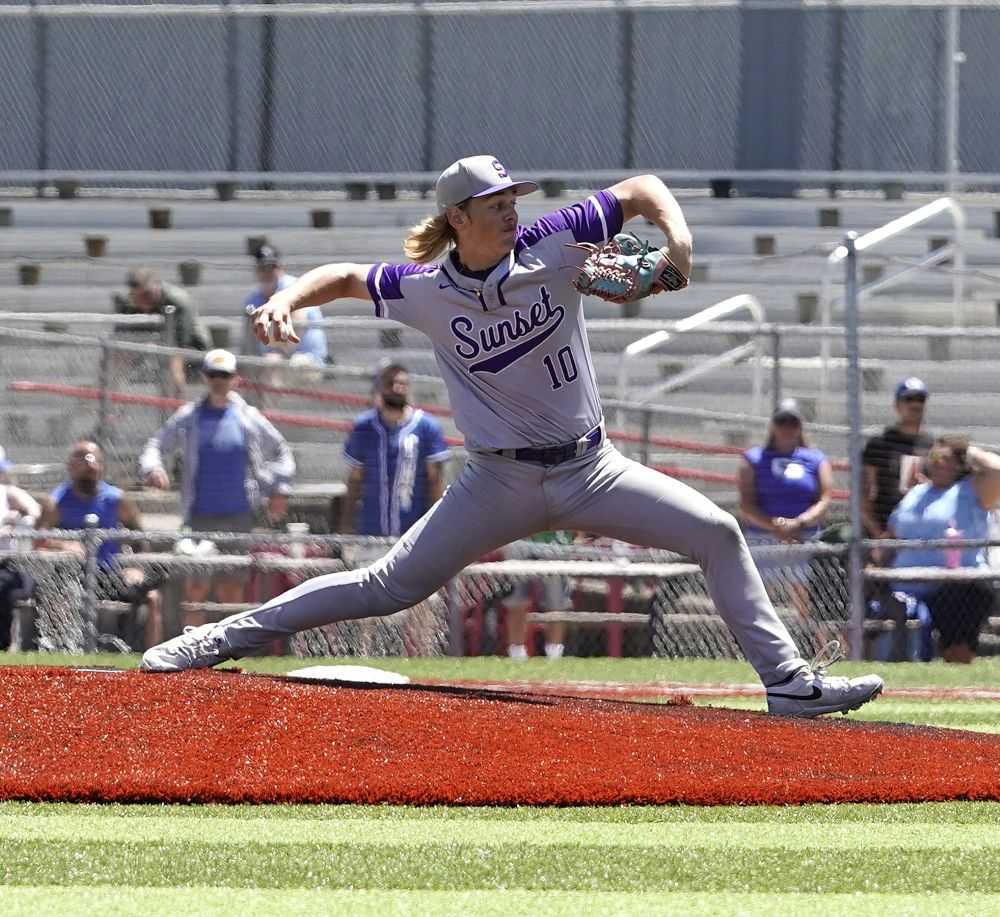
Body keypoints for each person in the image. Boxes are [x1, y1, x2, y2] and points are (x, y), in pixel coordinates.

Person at [142, 154, 883, 718]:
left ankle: (787, 684)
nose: (509, 210)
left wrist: (677, 240)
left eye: (510, 198)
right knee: (387, 586)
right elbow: (343, 275)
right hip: (495, 481)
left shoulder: (557, 243)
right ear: (458, 218)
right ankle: (215, 640)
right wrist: (285, 298)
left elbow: (644, 188)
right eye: (493, 202)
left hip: (592, 468)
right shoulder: (426, 288)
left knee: (718, 531)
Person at [140, 349, 296, 615]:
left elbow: (282, 451)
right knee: (195, 589)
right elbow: (156, 444)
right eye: (213, 375)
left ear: (236, 378)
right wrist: (153, 468)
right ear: (204, 377)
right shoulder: (190, 416)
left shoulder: (248, 417)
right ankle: (192, 653)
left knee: (231, 590)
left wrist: (279, 488)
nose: (218, 381)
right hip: (199, 516)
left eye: (224, 375)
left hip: (239, 517)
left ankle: (230, 652)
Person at [883, 436, 1000, 664]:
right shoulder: (917, 493)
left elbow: (997, 470)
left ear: (960, 464)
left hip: (957, 584)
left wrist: (967, 450)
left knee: (961, 598)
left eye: (948, 459)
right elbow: (893, 532)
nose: (940, 463)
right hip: (905, 583)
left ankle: (957, 667)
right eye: (935, 457)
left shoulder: (971, 491)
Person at [38, 441, 163, 651]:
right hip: (72, 576)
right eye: (82, 458)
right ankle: (64, 650)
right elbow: (39, 540)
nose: (89, 463)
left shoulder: (116, 499)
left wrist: (136, 568)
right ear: (70, 466)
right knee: (60, 592)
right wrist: (64, 545)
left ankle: (156, 658)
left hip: (109, 574)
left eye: (93, 458)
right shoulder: (56, 502)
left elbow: (140, 537)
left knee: (152, 597)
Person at [738, 399, 833, 626]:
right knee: (757, 599)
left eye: (793, 423)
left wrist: (798, 524)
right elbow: (746, 504)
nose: (787, 428)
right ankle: (756, 643)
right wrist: (776, 526)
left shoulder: (815, 459)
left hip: (804, 536)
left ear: (800, 426)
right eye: (782, 422)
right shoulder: (754, 459)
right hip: (763, 537)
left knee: (807, 594)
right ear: (772, 426)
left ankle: (809, 640)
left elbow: (825, 498)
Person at [339, 363, 450, 536]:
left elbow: (435, 480)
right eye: (390, 383)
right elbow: (354, 478)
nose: (397, 388)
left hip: (414, 532)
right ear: (380, 387)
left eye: (402, 383)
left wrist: (437, 527)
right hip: (371, 529)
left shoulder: (427, 427)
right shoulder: (364, 426)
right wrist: (346, 523)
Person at [114, 267, 210, 395]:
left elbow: (179, 344)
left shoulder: (178, 301)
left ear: (157, 285)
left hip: (192, 348)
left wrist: (155, 346)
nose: (143, 301)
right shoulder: (130, 303)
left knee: (173, 363)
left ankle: (174, 406)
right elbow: (120, 337)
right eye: (137, 296)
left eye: (147, 295)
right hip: (153, 342)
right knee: (117, 355)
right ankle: (107, 401)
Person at [861, 378, 933, 540]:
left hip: (919, 531)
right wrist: (879, 535)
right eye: (909, 399)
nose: (915, 404)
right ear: (897, 406)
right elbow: (863, 496)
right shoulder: (879, 443)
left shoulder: (931, 445)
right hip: (882, 528)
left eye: (920, 399)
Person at [242, 245, 329, 370]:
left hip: (308, 359)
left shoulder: (293, 287)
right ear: (256, 271)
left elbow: (297, 324)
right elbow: (248, 339)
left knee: (274, 365)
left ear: (281, 268)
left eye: (272, 267)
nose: (267, 272)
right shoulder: (253, 300)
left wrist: (279, 354)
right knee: (258, 366)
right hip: (272, 359)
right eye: (263, 268)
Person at [0, 446, 41, 651]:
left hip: (5, 565)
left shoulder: (6, 493)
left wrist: (21, 519)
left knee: (13, 586)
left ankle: (7, 644)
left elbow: (35, 512)